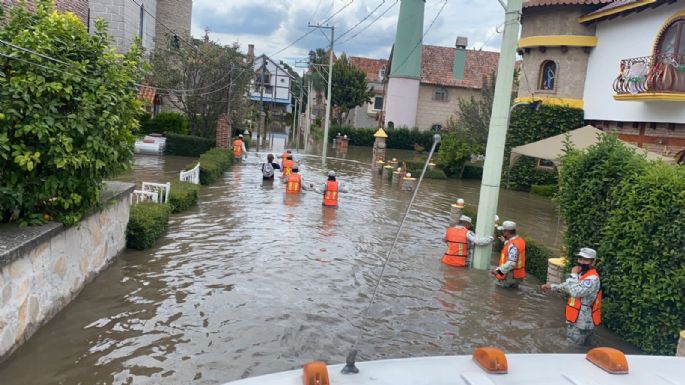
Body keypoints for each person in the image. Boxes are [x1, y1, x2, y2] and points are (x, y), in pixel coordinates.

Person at [541, 247, 602, 345]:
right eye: (580, 259)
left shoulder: (592, 279)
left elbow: (575, 292)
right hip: (579, 320)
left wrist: (573, 274)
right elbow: (569, 286)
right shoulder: (582, 274)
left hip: (581, 323)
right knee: (583, 348)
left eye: (586, 260)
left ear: (593, 262)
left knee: (571, 348)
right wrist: (552, 287)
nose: (581, 262)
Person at [490, 220, 526, 288]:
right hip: (517, 275)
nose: (502, 232)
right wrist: (505, 242)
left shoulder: (512, 245)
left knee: (499, 293)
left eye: (503, 231)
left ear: (507, 232)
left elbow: (511, 263)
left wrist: (497, 271)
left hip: (508, 276)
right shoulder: (520, 240)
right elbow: (514, 250)